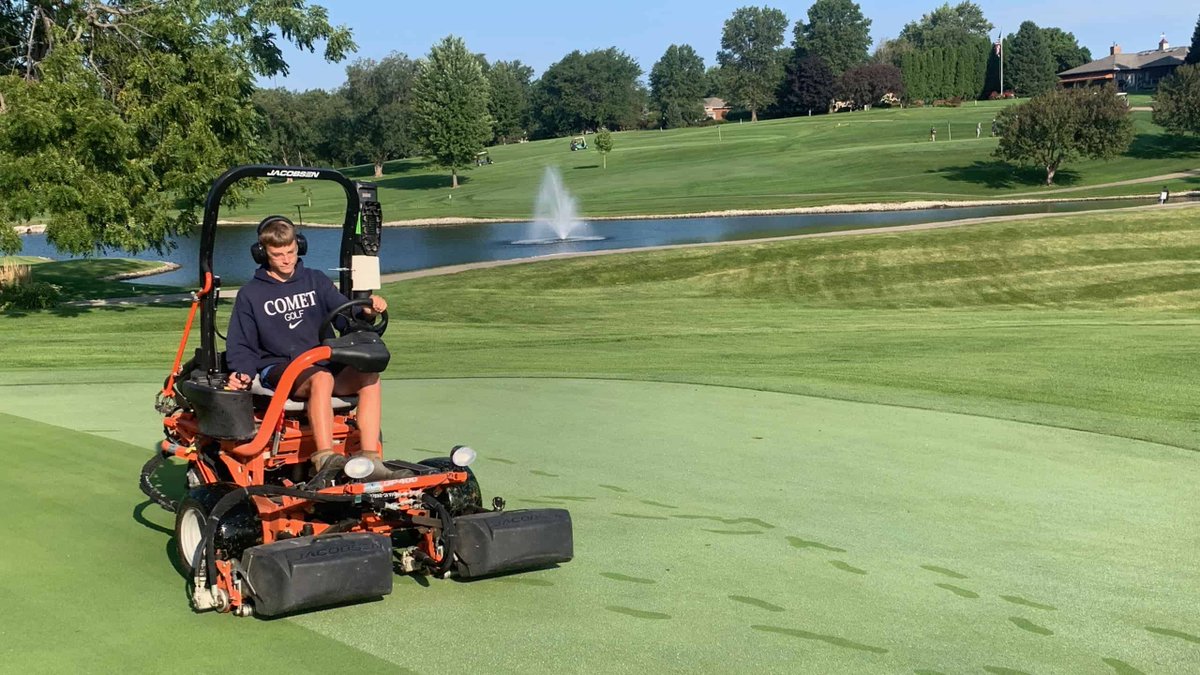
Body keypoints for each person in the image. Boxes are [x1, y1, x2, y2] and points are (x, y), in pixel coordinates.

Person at [225, 215, 390, 482]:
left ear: (298, 247)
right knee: (321, 378)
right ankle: (325, 457)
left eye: (290, 252)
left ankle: (370, 458)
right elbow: (241, 344)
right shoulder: (251, 294)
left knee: (369, 375)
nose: (286, 260)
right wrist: (241, 372)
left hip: (322, 360)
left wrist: (367, 311)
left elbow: (345, 317)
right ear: (262, 253)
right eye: (278, 254)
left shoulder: (316, 281)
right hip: (280, 368)